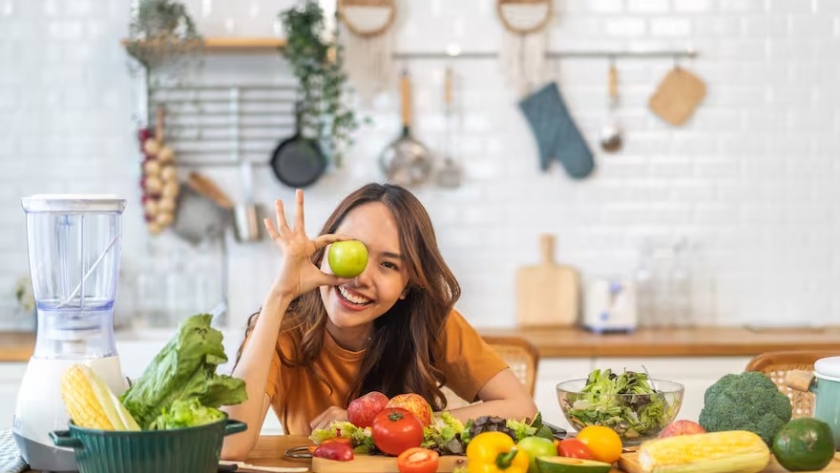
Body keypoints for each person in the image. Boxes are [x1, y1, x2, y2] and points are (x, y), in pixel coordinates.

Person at [220, 183, 537, 460]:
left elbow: (522, 409)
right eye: (351, 249)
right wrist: (280, 295)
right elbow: (227, 447)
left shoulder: (431, 322)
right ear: (323, 249)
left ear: (406, 287)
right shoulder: (281, 328)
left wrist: (377, 425)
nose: (359, 278)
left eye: (388, 264)